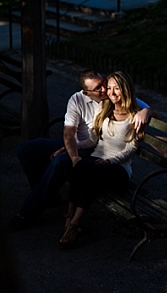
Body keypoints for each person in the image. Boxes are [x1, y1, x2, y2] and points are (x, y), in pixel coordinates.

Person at [9, 69, 150, 230]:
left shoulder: (113, 97)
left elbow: (145, 110)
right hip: (78, 144)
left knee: (60, 161)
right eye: (98, 88)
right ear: (87, 92)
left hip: (95, 151)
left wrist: (147, 111)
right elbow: (69, 133)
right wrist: (71, 151)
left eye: (103, 83)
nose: (104, 90)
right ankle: (50, 196)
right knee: (26, 150)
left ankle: (29, 211)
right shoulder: (77, 99)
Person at [59, 71, 143, 247]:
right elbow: (94, 139)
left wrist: (110, 161)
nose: (111, 93)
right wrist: (71, 147)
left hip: (118, 169)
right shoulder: (106, 109)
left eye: (116, 89)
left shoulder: (134, 115)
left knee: (94, 172)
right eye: (109, 88)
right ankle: (70, 217)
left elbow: (132, 148)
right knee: (80, 166)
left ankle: (75, 224)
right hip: (98, 161)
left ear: (125, 89)